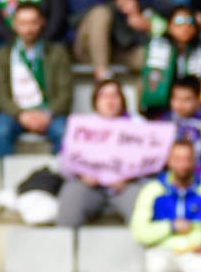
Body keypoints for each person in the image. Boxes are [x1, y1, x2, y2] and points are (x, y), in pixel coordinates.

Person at [131, 140, 201, 272]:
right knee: (155, 270)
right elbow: (139, 231)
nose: (183, 164)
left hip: (196, 251)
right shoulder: (152, 191)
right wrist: (170, 227)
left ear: (194, 161)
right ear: (168, 161)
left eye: (187, 159)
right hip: (162, 249)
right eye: (177, 159)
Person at [57, 80, 150, 227]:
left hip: (126, 186)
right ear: (95, 101)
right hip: (88, 186)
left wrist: (128, 177)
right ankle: (65, 246)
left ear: (123, 100)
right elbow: (64, 162)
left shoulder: (139, 124)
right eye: (103, 96)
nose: (109, 101)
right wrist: (82, 175)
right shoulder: (82, 126)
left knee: (142, 204)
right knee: (71, 198)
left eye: (114, 96)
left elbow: (152, 162)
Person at [0, 1, 72, 156]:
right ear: (14, 24)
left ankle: (55, 177)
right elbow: (1, 95)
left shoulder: (57, 53)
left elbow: (65, 93)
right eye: (23, 23)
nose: (28, 28)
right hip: (15, 112)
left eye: (33, 23)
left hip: (48, 111)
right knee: (0, 130)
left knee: (64, 132)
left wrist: (47, 114)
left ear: (42, 22)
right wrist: (21, 114)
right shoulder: (3, 54)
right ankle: (8, 178)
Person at [155, 75, 201, 183]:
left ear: (198, 100)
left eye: (186, 99)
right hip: (169, 180)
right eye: (176, 98)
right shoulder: (162, 123)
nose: (180, 104)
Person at [139, 7, 201, 114]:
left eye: (190, 22)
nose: (185, 27)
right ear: (169, 26)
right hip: (158, 109)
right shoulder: (154, 47)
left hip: (193, 109)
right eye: (179, 22)